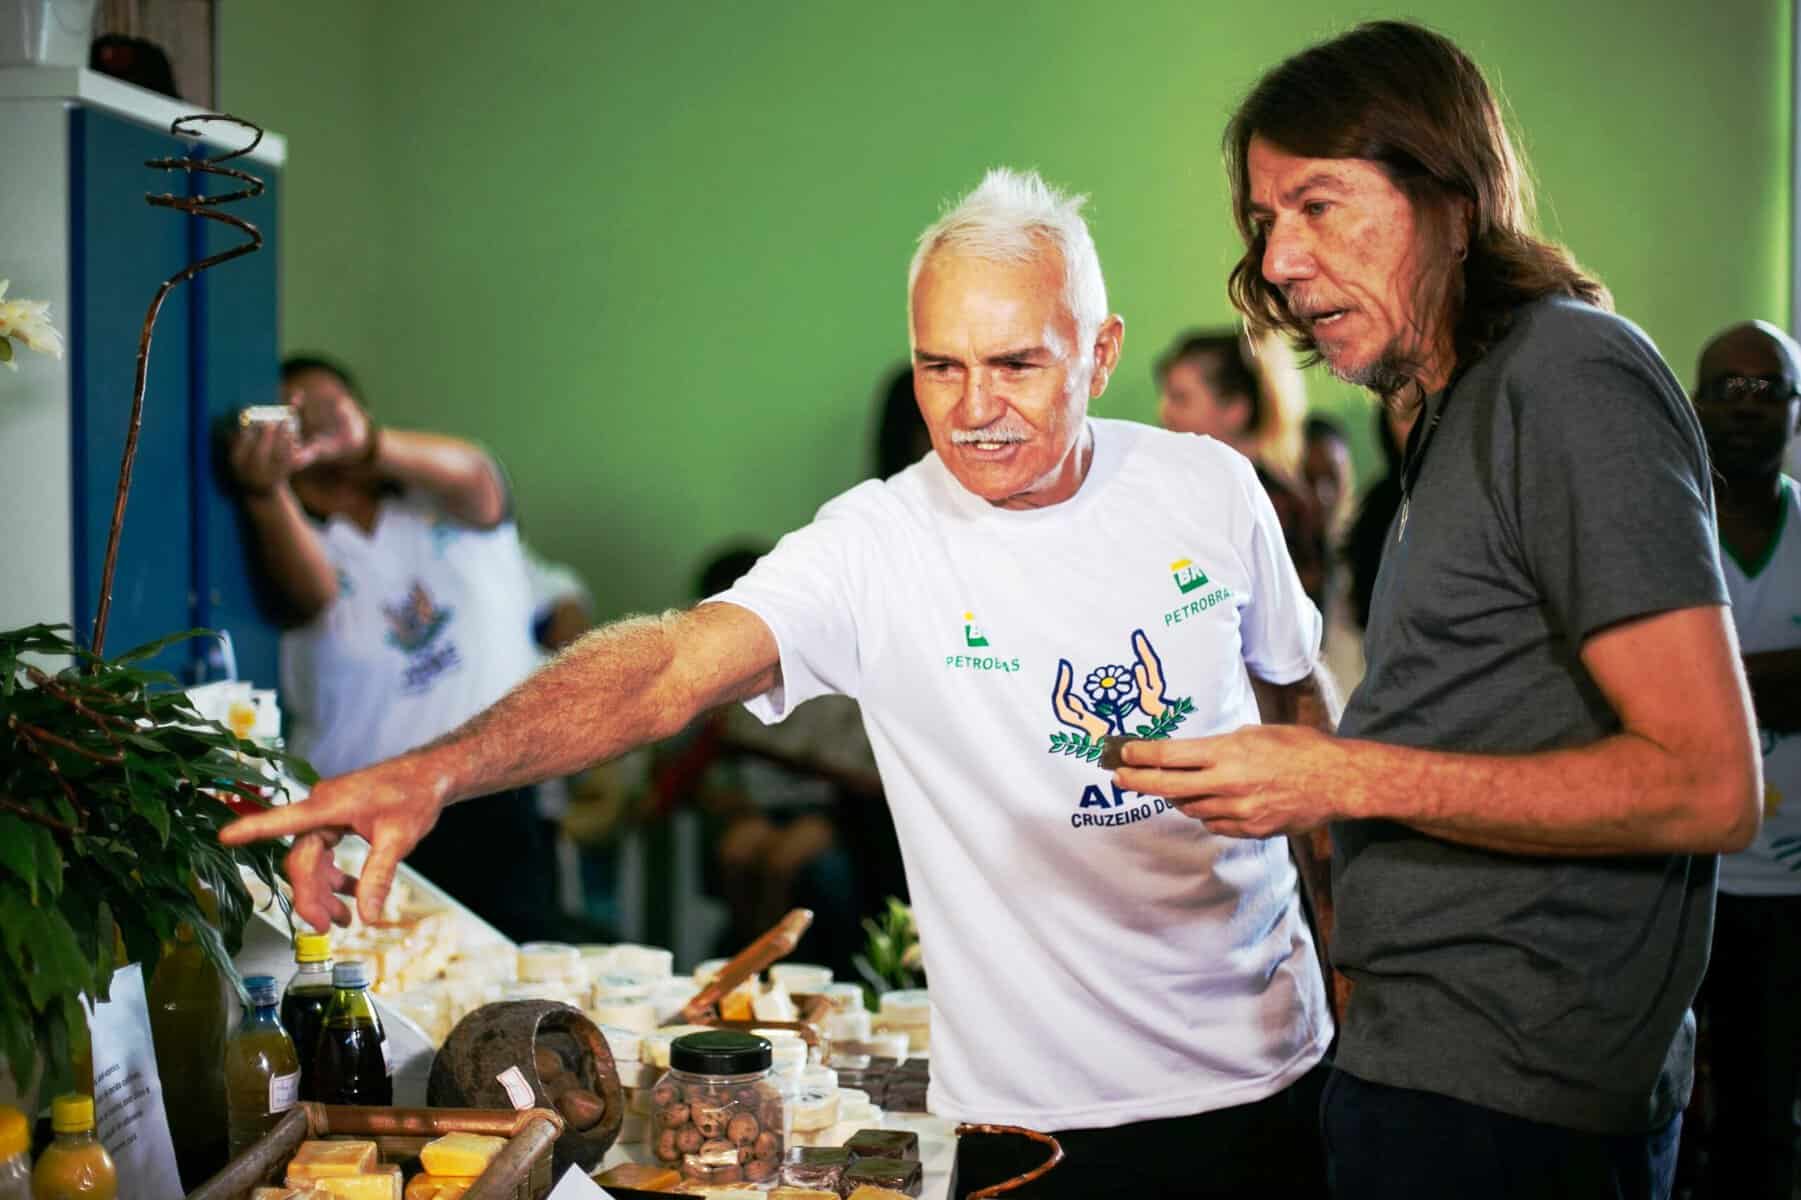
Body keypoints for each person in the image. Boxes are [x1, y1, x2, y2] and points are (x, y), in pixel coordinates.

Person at [224, 169, 1338, 1198]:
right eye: (940, 366)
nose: (973, 409)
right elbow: (666, 667)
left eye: (1016, 365)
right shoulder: (878, 543)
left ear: (1099, 353)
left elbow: (1298, 716)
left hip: (1268, 1078)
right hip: (1033, 1119)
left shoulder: (1209, 489)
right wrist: (438, 769)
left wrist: (1348, 948)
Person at [1113, 21, 1761, 1199]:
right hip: (1430, 1069)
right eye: (1264, 222)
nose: (1281, 262)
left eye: (1319, 206)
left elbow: (1707, 783)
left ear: (1452, 202)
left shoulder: (1566, 377)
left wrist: (1335, 775)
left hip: (1512, 1107)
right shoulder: (1456, 410)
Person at [228, 355, 556, 942]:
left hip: (492, 799)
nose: (310, 422)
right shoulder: (302, 535)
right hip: (363, 815)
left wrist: (366, 443)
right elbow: (311, 595)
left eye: (323, 406)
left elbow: (479, 475)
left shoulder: (444, 505)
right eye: (290, 412)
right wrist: (267, 490)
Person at [1688, 321, 1801, 1199]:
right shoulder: (1663, 532)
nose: (1745, 406)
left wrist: (1701, 683)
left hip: (1792, 893)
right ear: (1694, 405)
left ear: (1795, 410)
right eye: (1727, 387)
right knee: (1677, 1112)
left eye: (1767, 389)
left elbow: (1674, 691)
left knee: (1768, 1120)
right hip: (1682, 881)